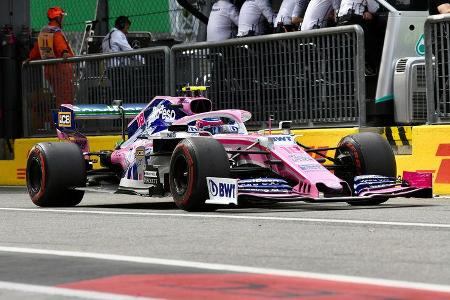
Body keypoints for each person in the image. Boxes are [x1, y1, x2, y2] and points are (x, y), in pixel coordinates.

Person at [28, 6, 75, 106]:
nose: (63, 19)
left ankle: (60, 120)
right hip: (61, 69)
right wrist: (64, 52)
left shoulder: (45, 31)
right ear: (58, 18)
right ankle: (65, 122)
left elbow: (36, 51)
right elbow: (59, 44)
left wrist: (30, 58)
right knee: (66, 100)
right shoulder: (56, 31)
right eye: (62, 17)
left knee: (59, 98)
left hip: (49, 70)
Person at [337, 0, 380, 75]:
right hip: (353, 20)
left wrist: (366, 11)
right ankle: (378, 72)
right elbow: (374, 8)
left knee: (346, 51)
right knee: (373, 45)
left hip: (341, 21)